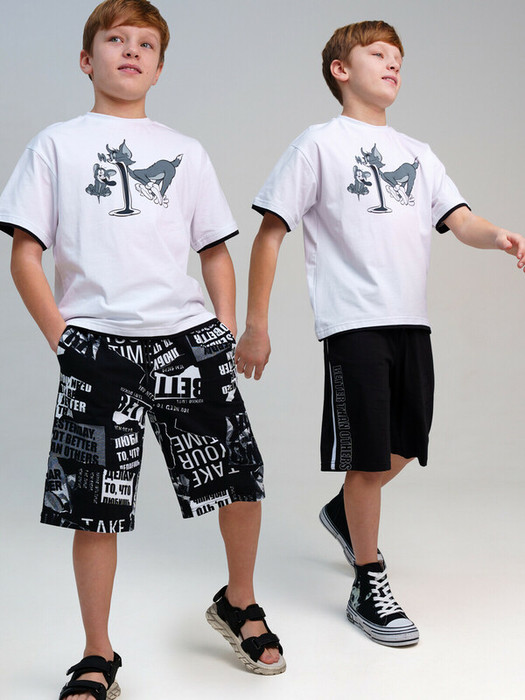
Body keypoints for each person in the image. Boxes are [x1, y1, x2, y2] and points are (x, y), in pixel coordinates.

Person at [0, 1, 286, 697]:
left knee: (237, 480)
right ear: (86, 58)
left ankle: (239, 601)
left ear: (159, 67)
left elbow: (213, 249)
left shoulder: (185, 151)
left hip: (186, 342)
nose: (130, 51)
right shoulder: (55, 145)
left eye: (146, 44)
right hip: (97, 348)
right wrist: (62, 339)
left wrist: (221, 331)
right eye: (115, 39)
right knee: (93, 506)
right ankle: (97, 654)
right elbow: (25, 254)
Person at [235, 20, 525, 648]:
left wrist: (499, 236)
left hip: (410, 321)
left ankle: (343, 515)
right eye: (378, 54)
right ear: (341, 70)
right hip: (353, 323)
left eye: (398, 57)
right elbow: (270, 234)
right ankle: (368, 581)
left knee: (408, 442)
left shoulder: (418, 153)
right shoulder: (318, 144)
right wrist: (255, 325)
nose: (393, 64)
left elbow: (461, 220)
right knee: (367, 457)